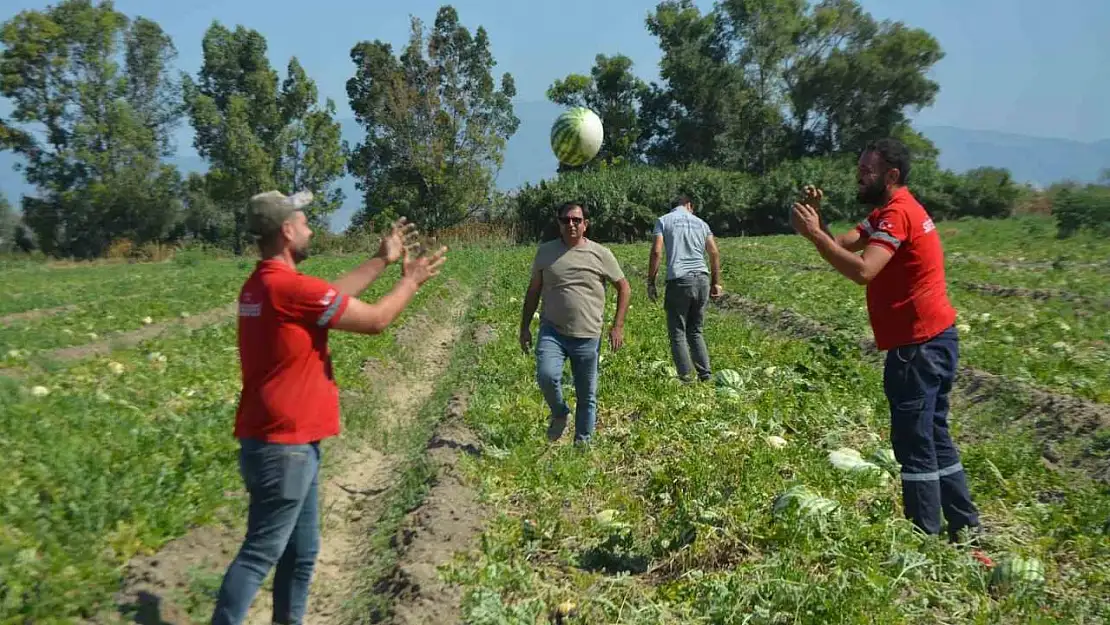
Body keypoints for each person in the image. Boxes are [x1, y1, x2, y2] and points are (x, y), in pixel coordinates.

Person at [211, 190, 447, 625]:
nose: (310, 228)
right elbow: (376, 320)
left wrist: (381, 260)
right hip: (284, 447)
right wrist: (409, 280)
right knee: (261, 553)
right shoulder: (287, 287)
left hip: (284, 442)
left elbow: (328, 295)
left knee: (301, 554)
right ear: (286, 231)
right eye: (303, 221)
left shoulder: (264, 283)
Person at [790, 138, 981, 543]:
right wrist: (816, 226)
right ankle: (965, 527)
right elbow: (841, 244)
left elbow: (863, 271)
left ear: (890, 175)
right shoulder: (886, 213)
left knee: (914, 441)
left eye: (867, 171)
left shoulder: (898, 215)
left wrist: (815, 237)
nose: (859, 177)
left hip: (919, 346)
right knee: (935, 434)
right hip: (934, 339)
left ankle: (925, 536)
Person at [519, 201, 631, 444]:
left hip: (588, 334)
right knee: (547, 376)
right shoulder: (546, 252)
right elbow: (533, 291)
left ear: (585, 225)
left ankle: (583, 445)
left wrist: (617, 325)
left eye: (576, 220)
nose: (571, 224)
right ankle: (560, 413)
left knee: (586, 395)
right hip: (552, 331)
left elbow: (624, 287)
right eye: (566, 220)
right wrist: (524, 327)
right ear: (559, 224)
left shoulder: (601, 254)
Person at [646, 194, 723, 383]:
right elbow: (713, 252)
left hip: (679, 280)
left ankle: (686, 378)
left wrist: (651, 281)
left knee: (677, 331)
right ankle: (705, 374)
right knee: (696, 330)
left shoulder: (663, 221)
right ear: (688, 205)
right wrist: (716, 282)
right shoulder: (701, 223)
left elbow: (657, 251)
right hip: (702, 278)